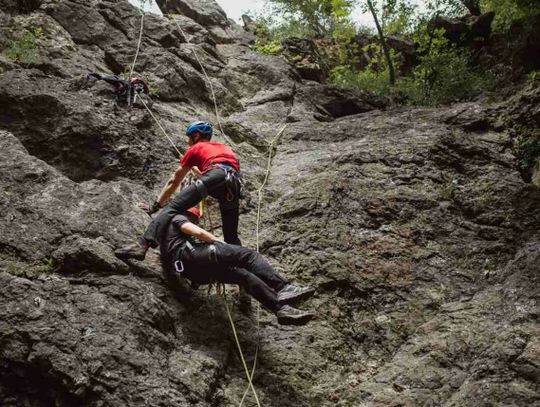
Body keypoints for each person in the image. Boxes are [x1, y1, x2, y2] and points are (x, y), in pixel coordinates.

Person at [161, 206, 316, 325]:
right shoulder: (178, 217)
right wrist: (218, 242)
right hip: (194, 256)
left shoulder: (169, 238)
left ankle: (280, 309)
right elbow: (197, 232)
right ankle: (282, 287)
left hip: (192, 272)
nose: (196, 222)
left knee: (243, 275)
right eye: (195, 219)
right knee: (249, 255)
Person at [116, 120, 242, 260]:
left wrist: (155, 206)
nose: (188, 142)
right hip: (233, 184)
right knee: (231, 236)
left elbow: (174, 180)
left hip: (216, 175)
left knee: (171, 209)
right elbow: (218, 174)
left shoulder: (195, 148)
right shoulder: (226, 148)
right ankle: (243, 265)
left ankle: (142, 245)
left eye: (189, 138)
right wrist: (197, 170)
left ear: (196, 136)